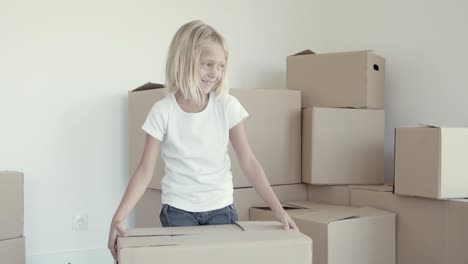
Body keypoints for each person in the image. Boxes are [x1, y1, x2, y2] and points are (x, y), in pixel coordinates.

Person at [108, 20, 297, 260]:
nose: (215, 73)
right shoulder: (162, 111)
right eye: (207, 64)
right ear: (184, 61)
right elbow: (145, 171)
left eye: (221, 66)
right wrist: (118, 218)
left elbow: (248, 161)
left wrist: (278, 210)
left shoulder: (227, 106)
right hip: (178, 212)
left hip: (221, 209)